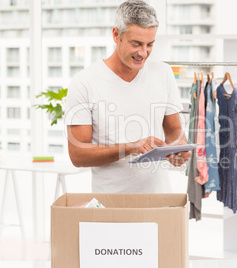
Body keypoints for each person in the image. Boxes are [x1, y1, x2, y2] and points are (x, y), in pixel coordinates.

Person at [65, 0, 190, 193]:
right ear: (116, 35)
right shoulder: (84, 83)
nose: (143, 53)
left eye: (150, 44)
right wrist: (129, 148)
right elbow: (77, 155)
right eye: (136, 44)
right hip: (111, 206)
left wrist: (177, 147)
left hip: (160, 201)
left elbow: (174, 128)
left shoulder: (163, 73)